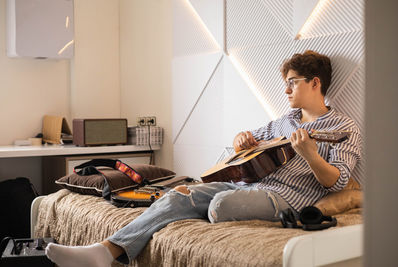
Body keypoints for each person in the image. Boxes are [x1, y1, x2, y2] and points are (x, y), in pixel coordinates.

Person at [45, 50, 362, 267]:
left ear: (315, 83)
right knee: (177, 196)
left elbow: (340, 182)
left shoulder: (343, 127)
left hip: (286, 199)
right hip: (248, 186)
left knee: (218, 206)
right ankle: (107, 251)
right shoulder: (283, 121)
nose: (286, 89)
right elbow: (243, 149)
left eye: (292, 82)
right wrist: (241, 140)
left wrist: (310, 155)